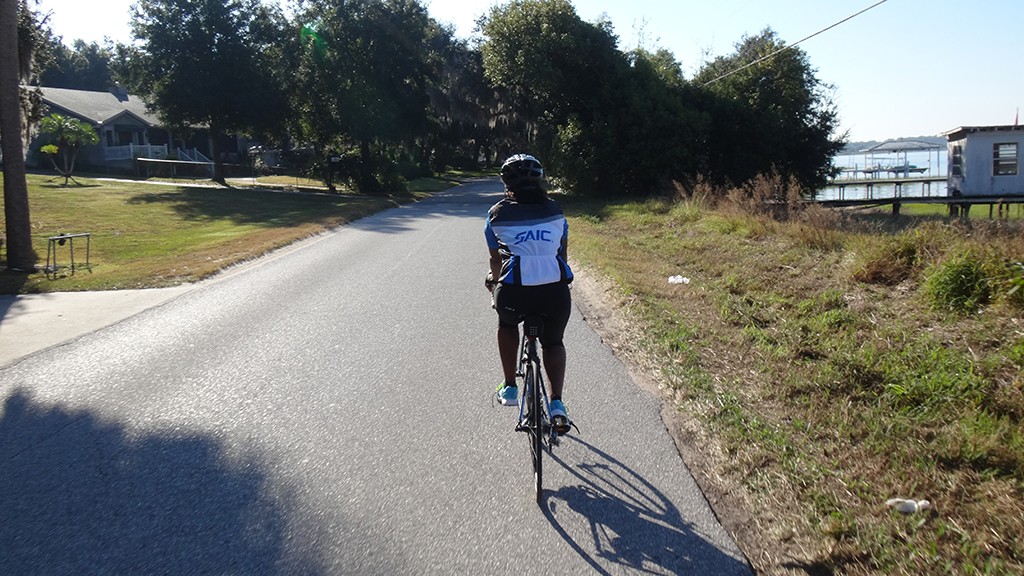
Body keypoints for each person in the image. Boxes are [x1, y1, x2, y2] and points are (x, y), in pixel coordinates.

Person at [484, 154, 574, 434]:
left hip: (514, 294)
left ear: (506, 184)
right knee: (554, 342)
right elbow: (562, 253)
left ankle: (510, 387)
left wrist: (494, 282)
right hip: (554, 292)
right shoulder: (556, 210)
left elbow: (496, 260)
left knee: (507, 324)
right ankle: (557, 404)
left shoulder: (497, 214)